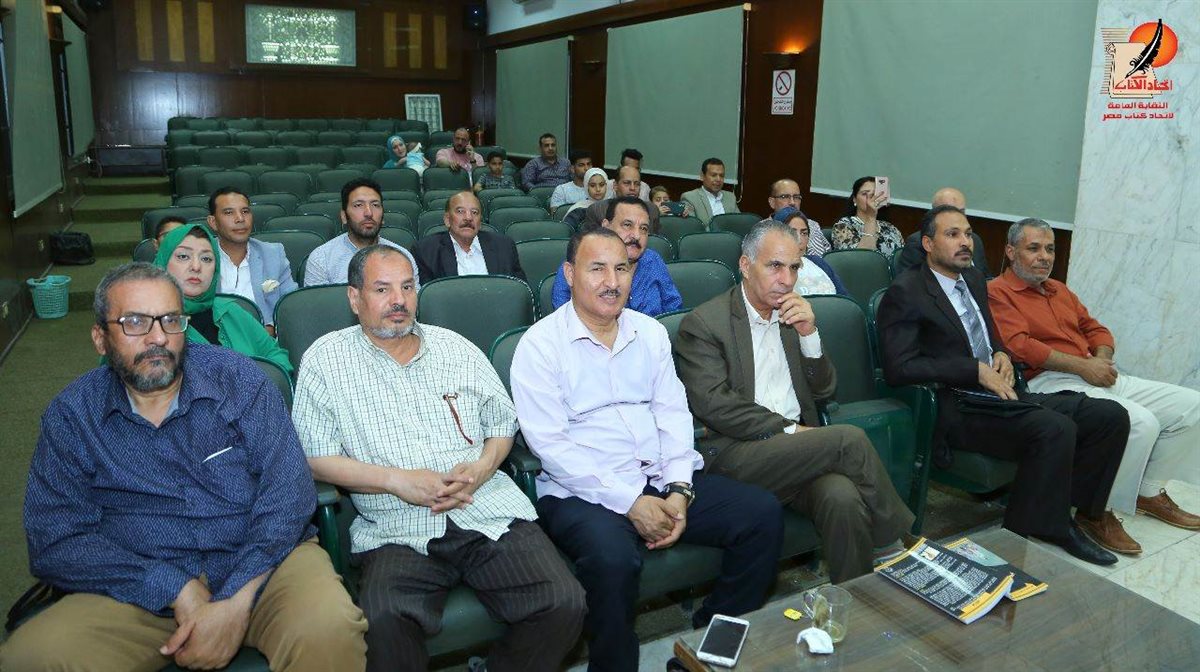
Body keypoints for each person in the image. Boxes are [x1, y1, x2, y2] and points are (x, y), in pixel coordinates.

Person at [0, 263, 366, 672]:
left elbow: (289, 494)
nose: (158, 337)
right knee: (30, 657)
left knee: (329, 628)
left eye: (170, 320)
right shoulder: (72, 416)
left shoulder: (240, 381)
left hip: (264, 568)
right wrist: (173, 588)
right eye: (135, 322)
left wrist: (235, 601)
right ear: (100, 338)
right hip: (135, 588)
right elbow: (55, 538)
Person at [294, 245, 585, 672]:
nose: (399, 300)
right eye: (382, 289)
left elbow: (502, 425)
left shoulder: (455, 347)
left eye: (407, 287)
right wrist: (397, 481)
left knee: (564, 603)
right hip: (396, 524)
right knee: (383, 619)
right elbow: (315, 457)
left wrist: (483, 467)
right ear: (354, 298)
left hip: (484, 508)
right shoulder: (326, 360)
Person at [511, 226, 784, 671]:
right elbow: (552, 447)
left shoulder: (650, 333)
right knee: (613, 560)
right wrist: (630, 502)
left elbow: (674, 414)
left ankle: (705, 653)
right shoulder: (539, 347)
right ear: (569, 274)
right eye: (597, 269)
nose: (612, 281)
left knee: (761, 515)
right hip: (582, 492)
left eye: (622, 269)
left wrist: (679, 488)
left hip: (657, 477)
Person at [876, 205, 1131, 565]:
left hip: (1001, 393)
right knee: (1054, 427)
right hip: (959, 405)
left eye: (968, 234)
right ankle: (1031, 533)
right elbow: (899, 368)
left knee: (1109, 416)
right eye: (952, 234)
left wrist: (1001, 353)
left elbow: (988, 333)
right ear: (929, 244)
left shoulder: (972, 279)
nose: (965, 242)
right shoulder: (906, 292)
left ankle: (1073, 514)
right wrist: (974, 370)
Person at [675, 220, 915, 583]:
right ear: (745, 265)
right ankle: (897, 546)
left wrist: (809, 335)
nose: (787, 280)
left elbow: (825, 391)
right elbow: (715, 406)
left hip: (795, 454)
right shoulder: (705, 324)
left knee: (842, 497)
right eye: (775, 266)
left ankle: (857, 596)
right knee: (848, 440)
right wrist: (789, 430)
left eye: (794, 267)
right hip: (735, 454)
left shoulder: (793, 316)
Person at [988, 218, 1200, 549]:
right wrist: (1084, 367)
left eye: (1050, 249)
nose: (1045, 256)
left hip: (1094, 371)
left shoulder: (1059, 290)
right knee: (1140, 422)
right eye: (1034, 248)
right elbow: (1020, 346)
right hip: (1049, 381)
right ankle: (1096, 511)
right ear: (1011, 252)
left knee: (1191, 406)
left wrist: (1100, 359)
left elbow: (1096, 329)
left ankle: (1146, 491)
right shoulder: (997, 292)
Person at [154, 223, 293, 374]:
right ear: (163, 262)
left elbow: (277, 358)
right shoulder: (150, 323)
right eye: (183, 256)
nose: (196, 266)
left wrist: (255, 384)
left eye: (206, 259)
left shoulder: (231, 311)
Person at [552, 196, 682, 317]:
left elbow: (673, 309)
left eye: (643, 228)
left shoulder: (653, 260)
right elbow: (563, 320)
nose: (637, 236)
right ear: (606, 226)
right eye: (627, 225)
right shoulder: (578, 266)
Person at [207, 187, 297, 333]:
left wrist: (272, 327)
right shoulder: (201, 257)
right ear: (213, 222)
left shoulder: (273, 254)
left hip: (265, 339)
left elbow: (290, 304)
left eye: (245, 211)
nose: (240, 219)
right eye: (229, 212)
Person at [304, 178, 414, 286]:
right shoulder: (322, 258)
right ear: (344, 216)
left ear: (383, 216)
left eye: (375, 205)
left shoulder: (403, 257)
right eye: (358, 205)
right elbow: (317, 298)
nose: (369, 213)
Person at [413, 191, 526, 281]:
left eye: (474, 212)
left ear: (480, 222)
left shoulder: (504, 246)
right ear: (447, 219)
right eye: (460, 211)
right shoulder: (426, 251)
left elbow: (521, 290)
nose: (468, 218)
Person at [894, 187, 990, 276]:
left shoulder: (974, 239)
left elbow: (986, 278)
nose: (958, 217)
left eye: (961, 212)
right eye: (949, 212)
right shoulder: (917, 242)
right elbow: (910, 283)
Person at [771, 208, 849, 297]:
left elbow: (845, 299)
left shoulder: (818, 262)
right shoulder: (772, 271)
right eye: (792, 232)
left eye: (804, 233)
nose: (799, 240)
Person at [831, 176, 904, 257]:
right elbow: (863, 257)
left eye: (874, 194)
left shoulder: (890, 227)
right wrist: (871, 217)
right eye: (865, 194)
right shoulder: (843, 226)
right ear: (854, 199)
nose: (871, 197)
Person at [582, 165, 660, 230]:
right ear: (615, 186)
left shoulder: (652, 210)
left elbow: (655, 241)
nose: (632, 188)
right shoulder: (598, 210)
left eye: (637, 184)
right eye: (627, 183)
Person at [767, 178, 831, 256]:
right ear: (772, 202)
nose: (792, 202)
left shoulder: (813, 225)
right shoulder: (762, 230)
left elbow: (827, 256)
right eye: (785, 197)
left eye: (796, 197)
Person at [681, 158, 739, 225]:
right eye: (714, 175)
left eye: (721, 176)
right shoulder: (690, 198)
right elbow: (693, 227)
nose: (718, 179)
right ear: (702, 176)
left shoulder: (730, 197)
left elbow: (739, 223)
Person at [562, 167, 609, 231]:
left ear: (607, 185)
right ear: (586, 187)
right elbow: (567, 231)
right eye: (592, 185)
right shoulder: (578, 209)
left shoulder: (614, 207)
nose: (598, 189)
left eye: (601, 185)